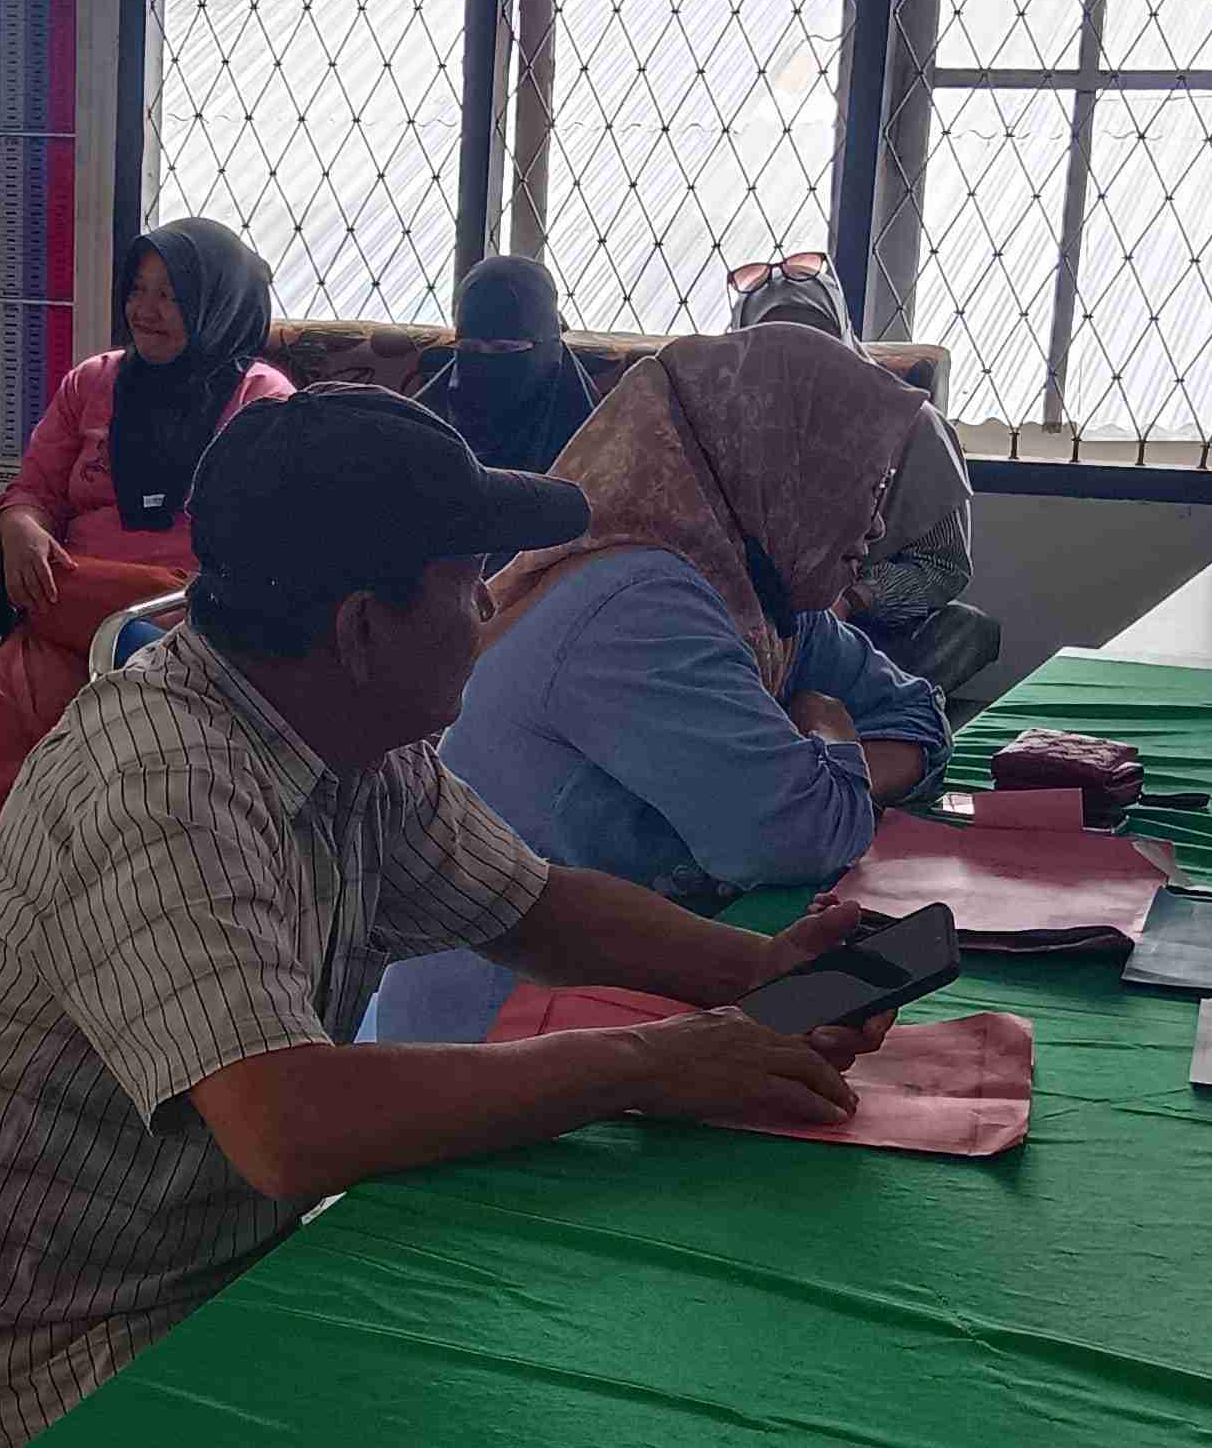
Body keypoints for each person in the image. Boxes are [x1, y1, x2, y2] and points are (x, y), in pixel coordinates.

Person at [0, 386, 907, 1448]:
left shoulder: (345, 732)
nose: (491, 612)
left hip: (217, 1269)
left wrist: (757, 971)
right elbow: (289, 1127)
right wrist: (646, 1065)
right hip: (60, 1362)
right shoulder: (165, 784)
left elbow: (536, 908)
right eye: (470, 589)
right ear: (363, 628)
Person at [370, 323, 951, 1045]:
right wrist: (830, 728)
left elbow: (918, 718)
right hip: (496, 1042)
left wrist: (834, 765)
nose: (876, 525)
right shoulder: (639, 605)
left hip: (641, 1010)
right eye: (864, 484)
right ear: (787, 465)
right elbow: (795, 837)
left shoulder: (756, 597)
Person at [0, 218, 290, 928]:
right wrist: (20, 530)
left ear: (215, 303)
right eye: (138, 291)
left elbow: (262, 543)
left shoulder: (262, 398)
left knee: (81, 634)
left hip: (186, 614)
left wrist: (86, 593)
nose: (146, 310)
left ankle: (83, 624)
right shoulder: (94, 383)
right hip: (74, 603)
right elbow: (32, 488)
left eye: (171, 295)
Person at [728, 249, 993, 699]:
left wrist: (852, 601)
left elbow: (942, 566)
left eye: (815, 337)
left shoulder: (909, 423)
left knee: (967, 630)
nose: (800, 356)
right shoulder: (716, 415)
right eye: (776, 338)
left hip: (862, 628)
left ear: (842, 338)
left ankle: (862, 702)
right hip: (740, 624)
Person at [417, 253, 597, 473]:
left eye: (504, 349)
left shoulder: (591, 445)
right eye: (470, 349)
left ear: (547, 349)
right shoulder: (423, 424)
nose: (485, 365)